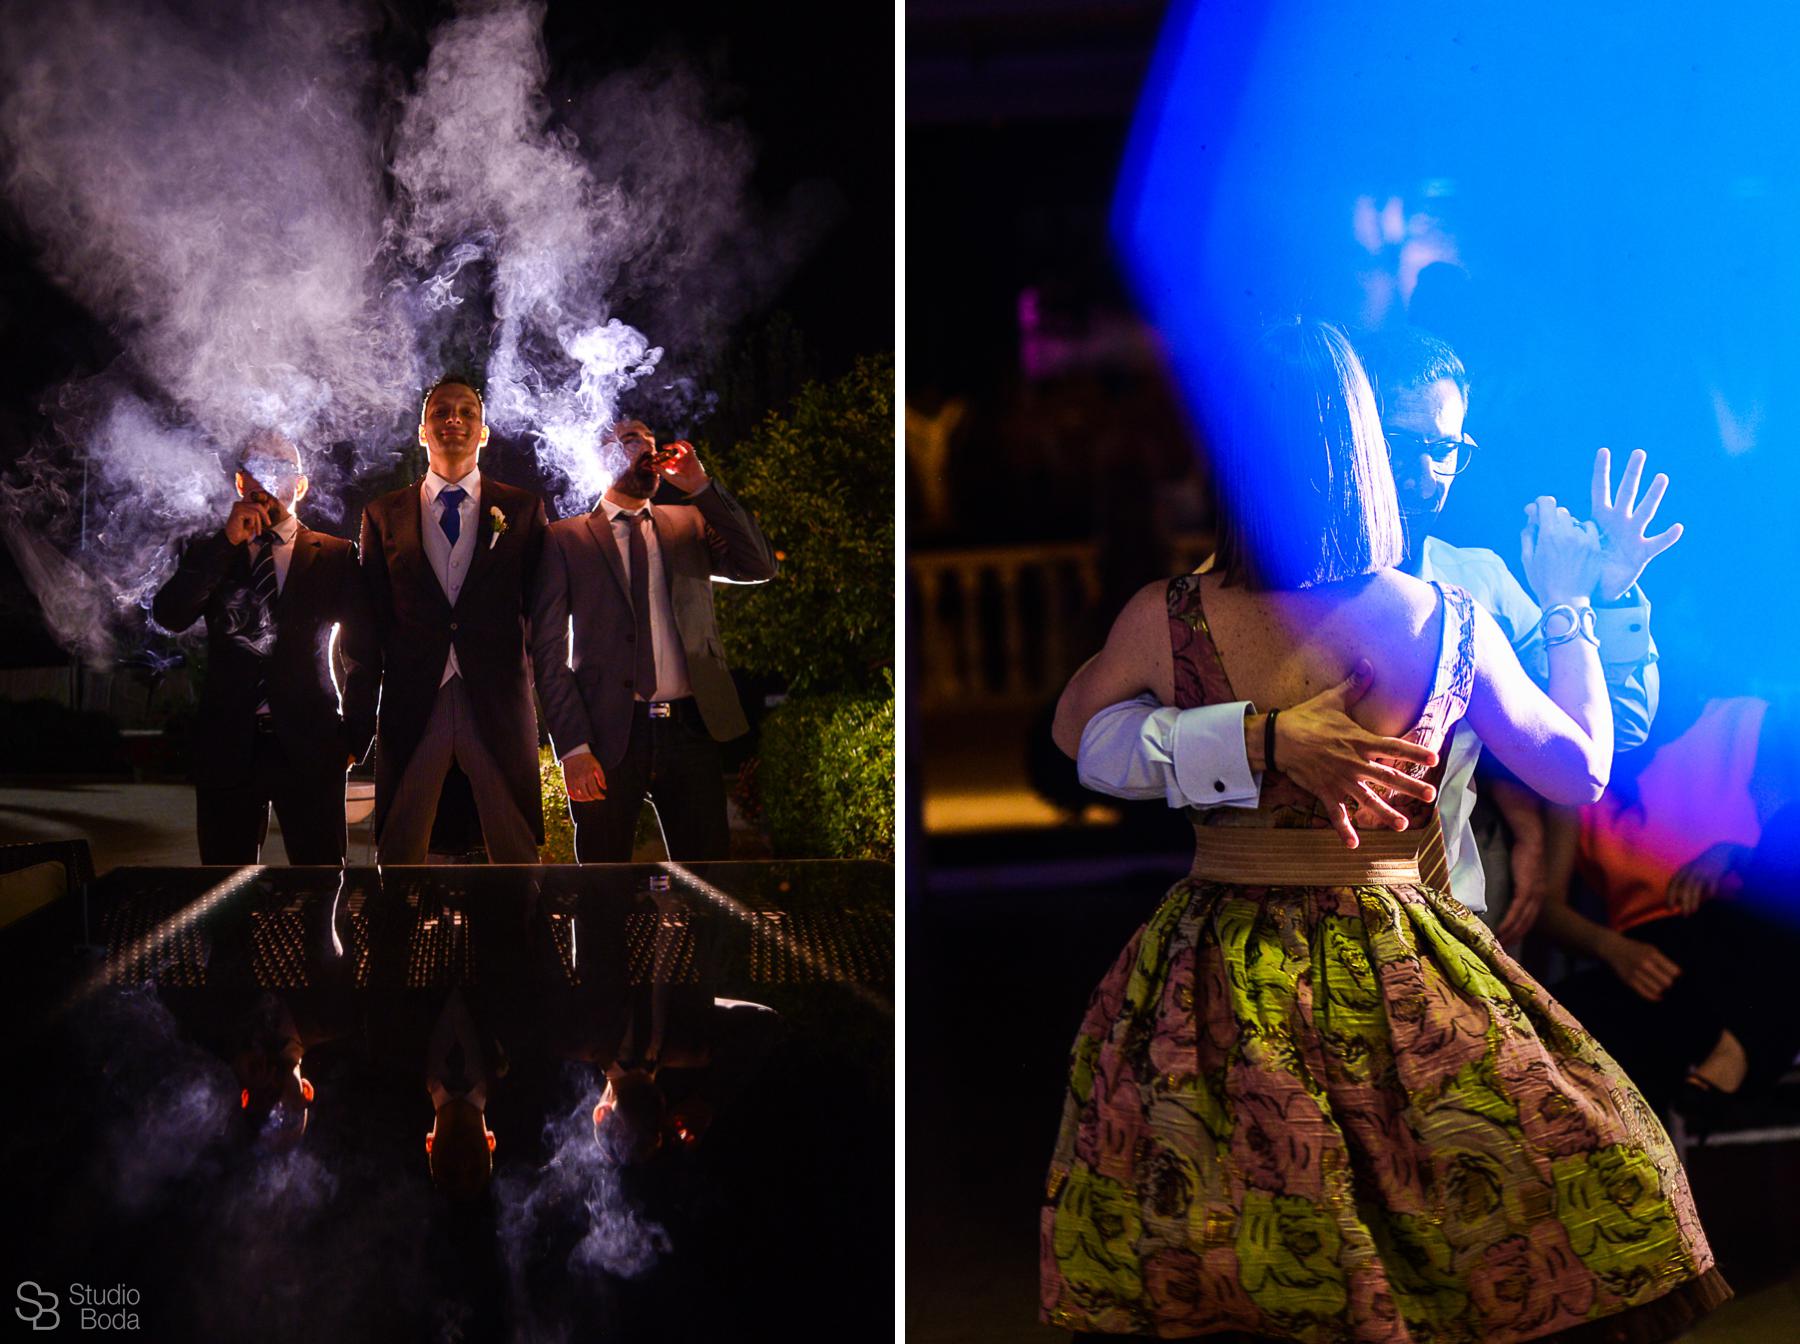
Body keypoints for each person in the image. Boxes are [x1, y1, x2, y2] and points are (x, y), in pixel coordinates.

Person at [1040, 320, 1725, 1341]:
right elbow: (1582, 764)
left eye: (1449, 448)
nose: (1434, 468)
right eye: (1414, 444)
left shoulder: (1169, 614)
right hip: (1404, 959)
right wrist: (1573, 608)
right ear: (1364, 443)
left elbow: (1075, 734)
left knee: (1238, 1239)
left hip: (1219, 965)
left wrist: (1241, 739)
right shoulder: (1441, 615)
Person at [1070, 328, 1677, 945]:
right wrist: (1259, 739)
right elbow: (1082, 738)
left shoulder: (1478, 585)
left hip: (1440, 913)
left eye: (1445, 449)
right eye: (1399, 444)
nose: (1424, 478)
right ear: (1352, 437)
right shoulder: (1204, 607)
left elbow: (1613, 730)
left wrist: (1608, 596)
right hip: (1305, 936)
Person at [1541, 695, 1800, 1123]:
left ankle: (1738, 1050)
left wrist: (1734, 855)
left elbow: (1783, 837)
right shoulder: (1579, 762)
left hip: (1746, 934)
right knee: (1560, 1027)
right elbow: (1546, 909)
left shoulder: (1745, 721)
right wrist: (1614, 950)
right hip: (1648, 958)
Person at [530, 419, 777, 863]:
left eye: (650, 440)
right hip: (606, 736)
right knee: (602, 883)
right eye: (630, 440)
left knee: (709, 879)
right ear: (598, 458)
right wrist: (573, 749)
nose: (647, 447)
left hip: (690, 731)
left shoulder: (691, 523)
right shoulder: (565, 539)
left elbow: (760, 565)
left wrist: (701, 486)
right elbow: (548, 654)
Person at [151, 432, 376, 864]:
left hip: (312, 744)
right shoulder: (211, 550)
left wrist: (354, 737)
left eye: (280, 468)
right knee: (223, 888)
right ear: (241, 482)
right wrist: (226, 543)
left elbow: (363, 654)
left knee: (321, 884)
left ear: (301, 485)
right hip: (227, 744)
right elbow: (170, 614)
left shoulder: (335, 555)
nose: (268, 478)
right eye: (257, 468)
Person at [359, 376, 548, 864]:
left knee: (515, 851)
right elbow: (370, 624)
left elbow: (540, 612)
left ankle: (522, 918)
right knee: (399, 849)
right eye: (441, 411)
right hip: (414, 699)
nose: (454, 419)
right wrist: (358, 721)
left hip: (498, 699)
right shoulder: (382, 514)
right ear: (422, 431)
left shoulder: (523, 509)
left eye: (467, 412)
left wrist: (529, 685)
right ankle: (392, 917)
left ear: (483, 433)